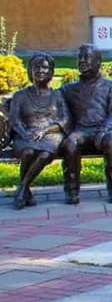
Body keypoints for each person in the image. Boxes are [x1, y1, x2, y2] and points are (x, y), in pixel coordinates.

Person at [60, 44, 112, 204]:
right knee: (70, 142)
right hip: (80, 132)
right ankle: (71, 189)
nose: (82, 61)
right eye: (80, 57)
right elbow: (50, 103)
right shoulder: (68, 90)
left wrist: (103, 130)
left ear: (98, 62)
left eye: (87, 57)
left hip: (105, 131)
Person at [9, 53, 70, 210]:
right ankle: (25, 190)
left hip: (51, 135)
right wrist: (24, 133)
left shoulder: (57, 95)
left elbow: (65, 119)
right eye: (37, 67)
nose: (41, 70)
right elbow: (14, 120)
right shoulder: (20, 96)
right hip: (25, 133)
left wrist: (45, 131)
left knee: (44, 154)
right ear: (30, 70)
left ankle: (21, 189)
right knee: (28, 152)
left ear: (51, 72)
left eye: (45, 67)